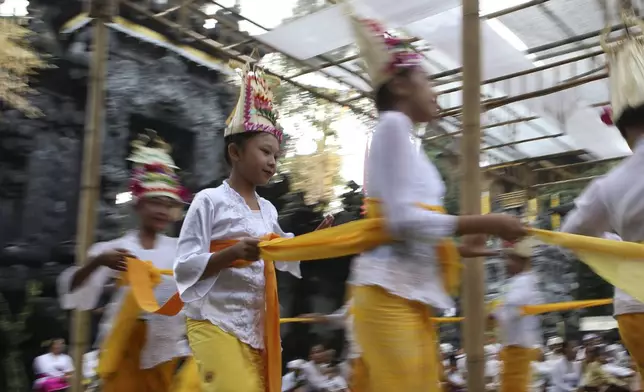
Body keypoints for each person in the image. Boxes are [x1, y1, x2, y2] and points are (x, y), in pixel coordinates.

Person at [346, 11, 526, 392]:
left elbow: (413, 237)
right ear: (399, 87)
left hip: (403, 297)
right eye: (427, 78)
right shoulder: (392, 126)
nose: (436, 89)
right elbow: (402, 224)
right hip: (387, 295)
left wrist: (475, 249)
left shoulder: (406, 141)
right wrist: (484, 224)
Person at [173, 62, 333, 392]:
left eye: (276, 155)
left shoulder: (269, 210)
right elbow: (185, 267)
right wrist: (229, 254)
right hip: (214, 322)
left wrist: (313, 241)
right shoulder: (209, 200)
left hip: (254, 329)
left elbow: (283, 252)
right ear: (235, 152)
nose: (273, 162)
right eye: (265, 152)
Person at [57, 131, 196, 392]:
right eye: (155, 201)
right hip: (123, 347)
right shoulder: (114, 249)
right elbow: (72, 291)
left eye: (168, 204)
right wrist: (98, 262)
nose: (162, 210)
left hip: (166, 349)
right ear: (138, 205)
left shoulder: (183, 250)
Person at [561, 22, 644, 378]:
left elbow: (571, 235)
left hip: (635, 307)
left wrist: (621, 246)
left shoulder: (610, 186)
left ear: (624, 131)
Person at [489, 238, 543, 392]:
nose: (506, 263)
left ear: (521, 260)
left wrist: (491, 315)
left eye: (510, 258)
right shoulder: (519, 281)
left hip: (518, 348)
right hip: (514, 348)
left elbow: (511, 307)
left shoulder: (524, 281)